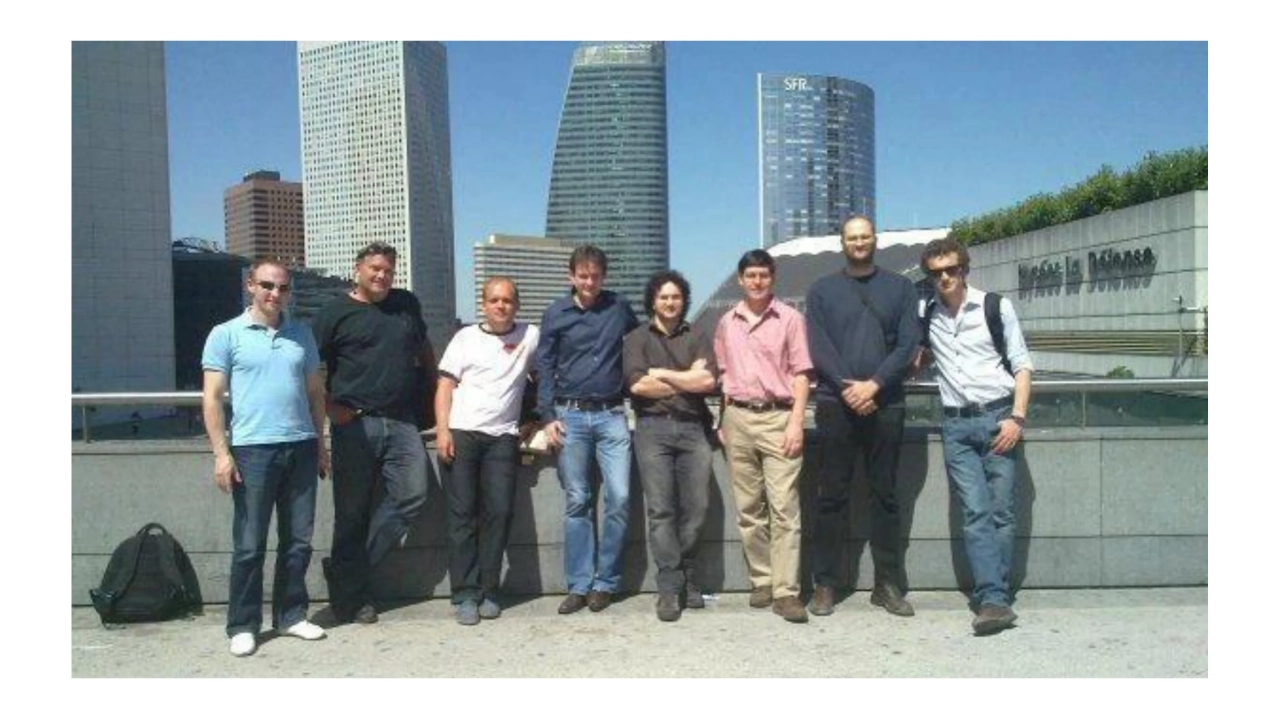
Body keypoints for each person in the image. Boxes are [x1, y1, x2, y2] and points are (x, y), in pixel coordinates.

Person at [201, 259, 329, 657]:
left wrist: (321, 443)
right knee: (249, 544)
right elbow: (212, 398)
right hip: (252, 449)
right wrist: (221, 454)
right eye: (268, 285)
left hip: (301, 445)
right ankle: (243, 624)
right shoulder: (226, 334)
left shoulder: (301, 334)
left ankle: (291, 616)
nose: (275, 294)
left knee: (298, 541)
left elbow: (315, 394)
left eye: (283, 287)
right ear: (251, 286)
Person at [805, 215, 922, 618]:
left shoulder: (901, 288)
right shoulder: (822, 290)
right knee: (831, 496)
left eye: (865, 236)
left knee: (886, 496)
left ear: (875, 240)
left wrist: (873, 385)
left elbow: (908, 344)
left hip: (886, 404)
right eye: (852, 237)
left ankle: (887, 583)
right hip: (835, 405)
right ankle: (825, 583)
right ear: (842, 242)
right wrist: (848, 388)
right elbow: (818, 346)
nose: (859, 242)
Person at [312, 241, 434, 625]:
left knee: (413, 494)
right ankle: (353, 597)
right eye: (375, 269)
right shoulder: (334, 312)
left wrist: (434, 394)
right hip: (355, 424)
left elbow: (425, 351)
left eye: (388, 270)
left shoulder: (405, 304)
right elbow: (308, 367)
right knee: (352, 514)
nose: (382, 276)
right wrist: (329, 407)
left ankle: (346, 570)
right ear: (358, 269)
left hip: (402, 421)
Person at [917, 237, 1033, 636]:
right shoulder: (927, 314)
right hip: (956, 427)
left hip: (999, 419)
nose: (944, 278)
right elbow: (918, 355)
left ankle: (994, 597)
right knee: (975, 513)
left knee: (1002, 511)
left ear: (964, 269)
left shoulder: (994, 307)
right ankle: (993, 599)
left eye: (951, 269)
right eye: (936, 273)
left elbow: (1021, 364)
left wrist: (1017, 418)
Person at [535, 245, 639, 614]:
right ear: (571, 276)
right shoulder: (556, 313)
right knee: (577, 499)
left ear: (603, 277)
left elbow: (641, 344)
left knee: (620, 497)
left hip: (612, 414)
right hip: (571, 416)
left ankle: (605, 582)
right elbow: (544, 366)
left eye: (595, 276)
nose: (589, 282)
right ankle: (579, 585)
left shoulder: (619, 308)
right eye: (583, 276)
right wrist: (547, 416)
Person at [714, 249, 813, 623]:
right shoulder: (727, 322)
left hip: (778, 418)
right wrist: (723, 419)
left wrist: (796, 422)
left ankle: (787, 592)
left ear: (772, 278)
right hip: (738, 418)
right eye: (751, 275)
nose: (757, 281)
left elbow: (802, 373)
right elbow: (723, 374)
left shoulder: (790, 319)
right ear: (741, 280)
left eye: (763, 275)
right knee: (749, 508)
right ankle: (763, 580)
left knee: (784, 508)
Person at [435, 277, 540, 625]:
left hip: (503, 438)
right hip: (462, 433)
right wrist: (443, 430)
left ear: (517, 305)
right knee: (462, 516)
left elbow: (546, 375)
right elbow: (444, 385)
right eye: (494, 300)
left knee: (500, 512)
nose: (501, 306)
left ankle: (490, 590)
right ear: (483, 304)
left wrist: (537, 417)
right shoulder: (465, 338)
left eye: (507, 300)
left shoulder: (530, 336)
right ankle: (466, 593)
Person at [623, 270, 718, 622]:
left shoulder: (698, 335)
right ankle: (669, 585)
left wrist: (661, 374)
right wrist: (686, 379)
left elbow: (708, 381)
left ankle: (688, 574)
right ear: (653, 300)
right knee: (661, 510)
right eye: (663, 296)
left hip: (694, 429)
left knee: (697, 508)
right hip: (652, 429)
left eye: (676, 296)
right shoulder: (636, 338)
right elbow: (637, 385)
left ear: (684, 300)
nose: (670, 302)